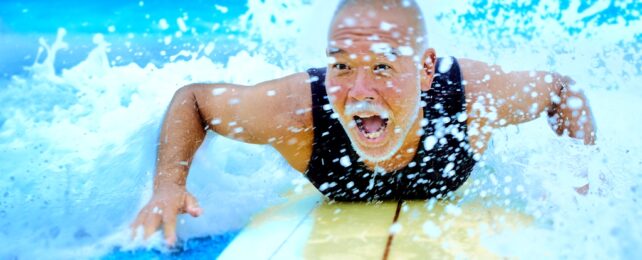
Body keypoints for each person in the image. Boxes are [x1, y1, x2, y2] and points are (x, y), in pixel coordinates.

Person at [130, 0, 596, 246]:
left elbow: (563, 92)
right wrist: (168, 184)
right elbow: (193, 101)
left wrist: (578, 189)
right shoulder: (296, 113)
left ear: (426, 69)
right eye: (342, 66)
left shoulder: (472, 97)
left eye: (383, 67)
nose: (358, 91)